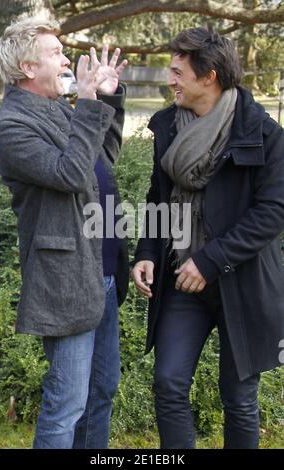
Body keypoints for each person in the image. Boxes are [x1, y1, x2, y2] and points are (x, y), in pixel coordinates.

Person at [132, 27, 284, 449]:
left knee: (238, 399)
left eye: (178, 72)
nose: (170, 80)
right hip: (183, 280)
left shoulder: (264, 134)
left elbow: (273, 213)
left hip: (243, 282)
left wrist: (211, 260)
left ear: (209, 76)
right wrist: (147, 251)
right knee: (169, 383)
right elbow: (156, 197)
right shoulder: (168, 127)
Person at [0, 15, 129, 449]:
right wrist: (86, 103)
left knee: (100, 393)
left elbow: (102, 154)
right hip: (66, 280)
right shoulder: (11, 125)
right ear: (28, 68)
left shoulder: (57, 109)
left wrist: (108, 99)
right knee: (67, 403)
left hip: (102, 271)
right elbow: (70, 173)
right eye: (56, 52)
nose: (67, 59)